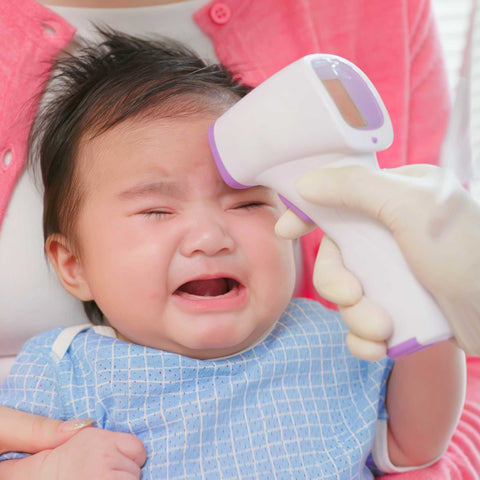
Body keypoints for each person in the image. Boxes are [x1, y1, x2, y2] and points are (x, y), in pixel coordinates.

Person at [0, 0, 477, 478]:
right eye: (156, 210)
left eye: (246, 204)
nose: (210, 237)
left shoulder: (332, 340)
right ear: (72, 265)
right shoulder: (63, 368)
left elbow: (414, 445)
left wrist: (430, 313)